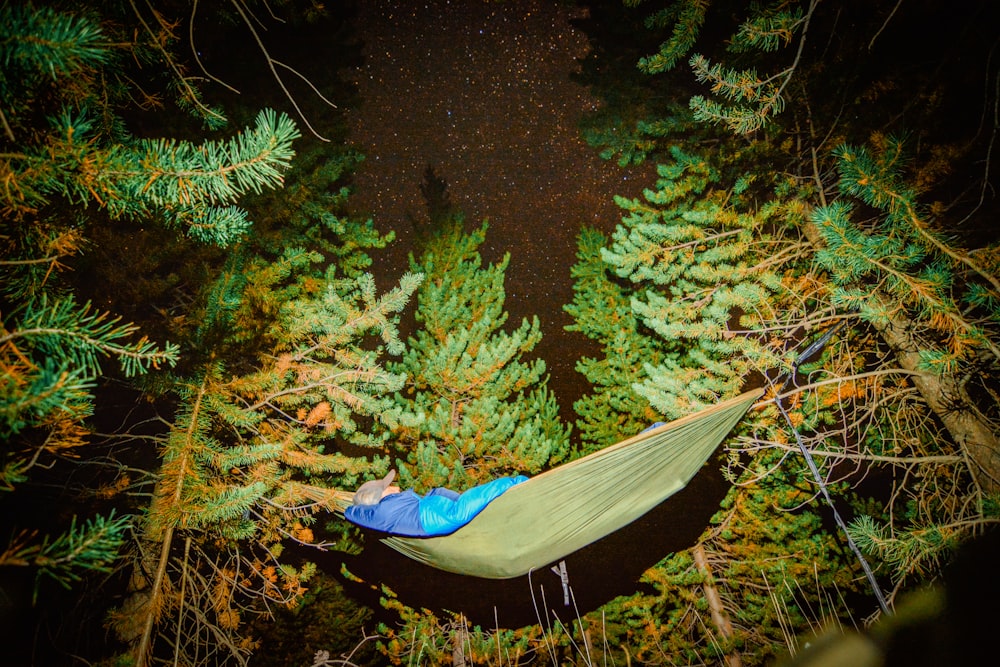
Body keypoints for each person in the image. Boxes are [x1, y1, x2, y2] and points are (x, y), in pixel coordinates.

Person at [344, 469, 529, 537]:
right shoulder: (381, 514)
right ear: (379, 496)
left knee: (470, 507)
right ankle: (514, 483)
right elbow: (357, 514)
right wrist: (349, 510)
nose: (393, 485)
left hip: (430, 506)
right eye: (387, 486)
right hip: (431, 518)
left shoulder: (388, 507)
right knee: (466, 508)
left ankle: (498, 509)